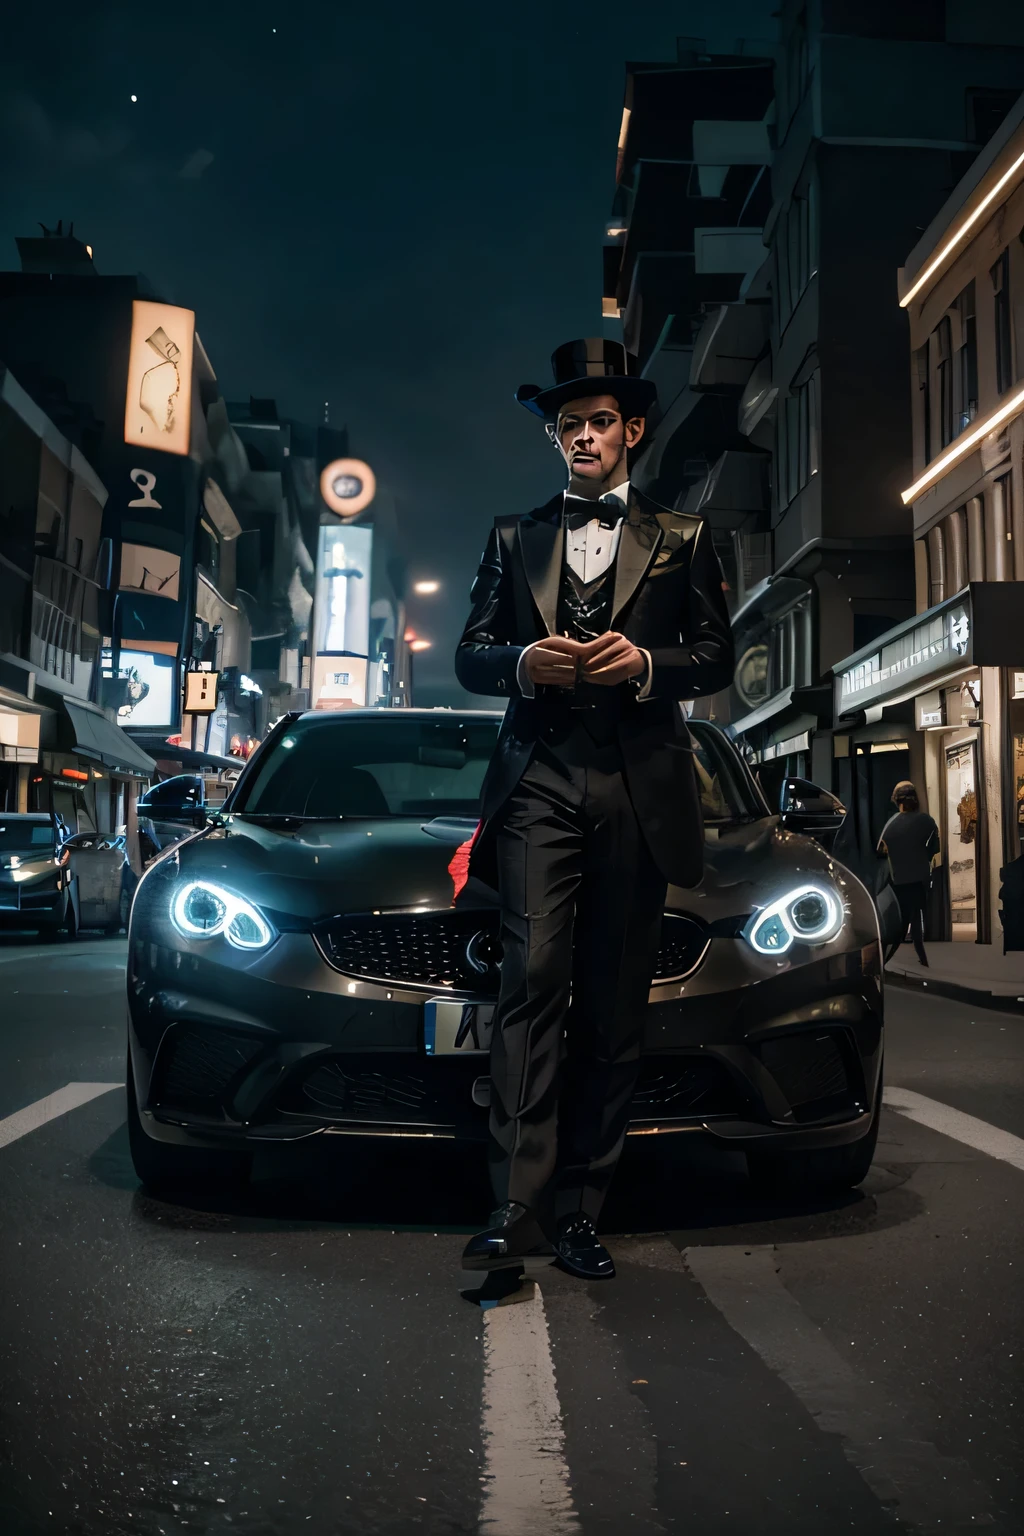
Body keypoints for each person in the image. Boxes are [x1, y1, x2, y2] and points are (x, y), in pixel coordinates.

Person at [454, 337, 733, 1282]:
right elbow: (469, 653)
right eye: (567, 424)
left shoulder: (685, 538)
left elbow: (717, 654)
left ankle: (581, 1212)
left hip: (639, 781)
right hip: (539, 777)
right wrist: (519, 664)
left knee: (613, 1008)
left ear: (632, 432)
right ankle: (512, 1207)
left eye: (598, 422)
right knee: (531, 983)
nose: (581, 435)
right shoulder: (512, 535)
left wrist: (650, 666)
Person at [877, 781, 940, 967]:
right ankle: (922, 957)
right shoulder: (926, 821)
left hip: (898, 878)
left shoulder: (891, 823)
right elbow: (934, 848)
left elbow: (880, 850)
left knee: (901, 920)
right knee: (917, 917)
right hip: (920, 877)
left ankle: (885, 959)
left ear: (897, 801)